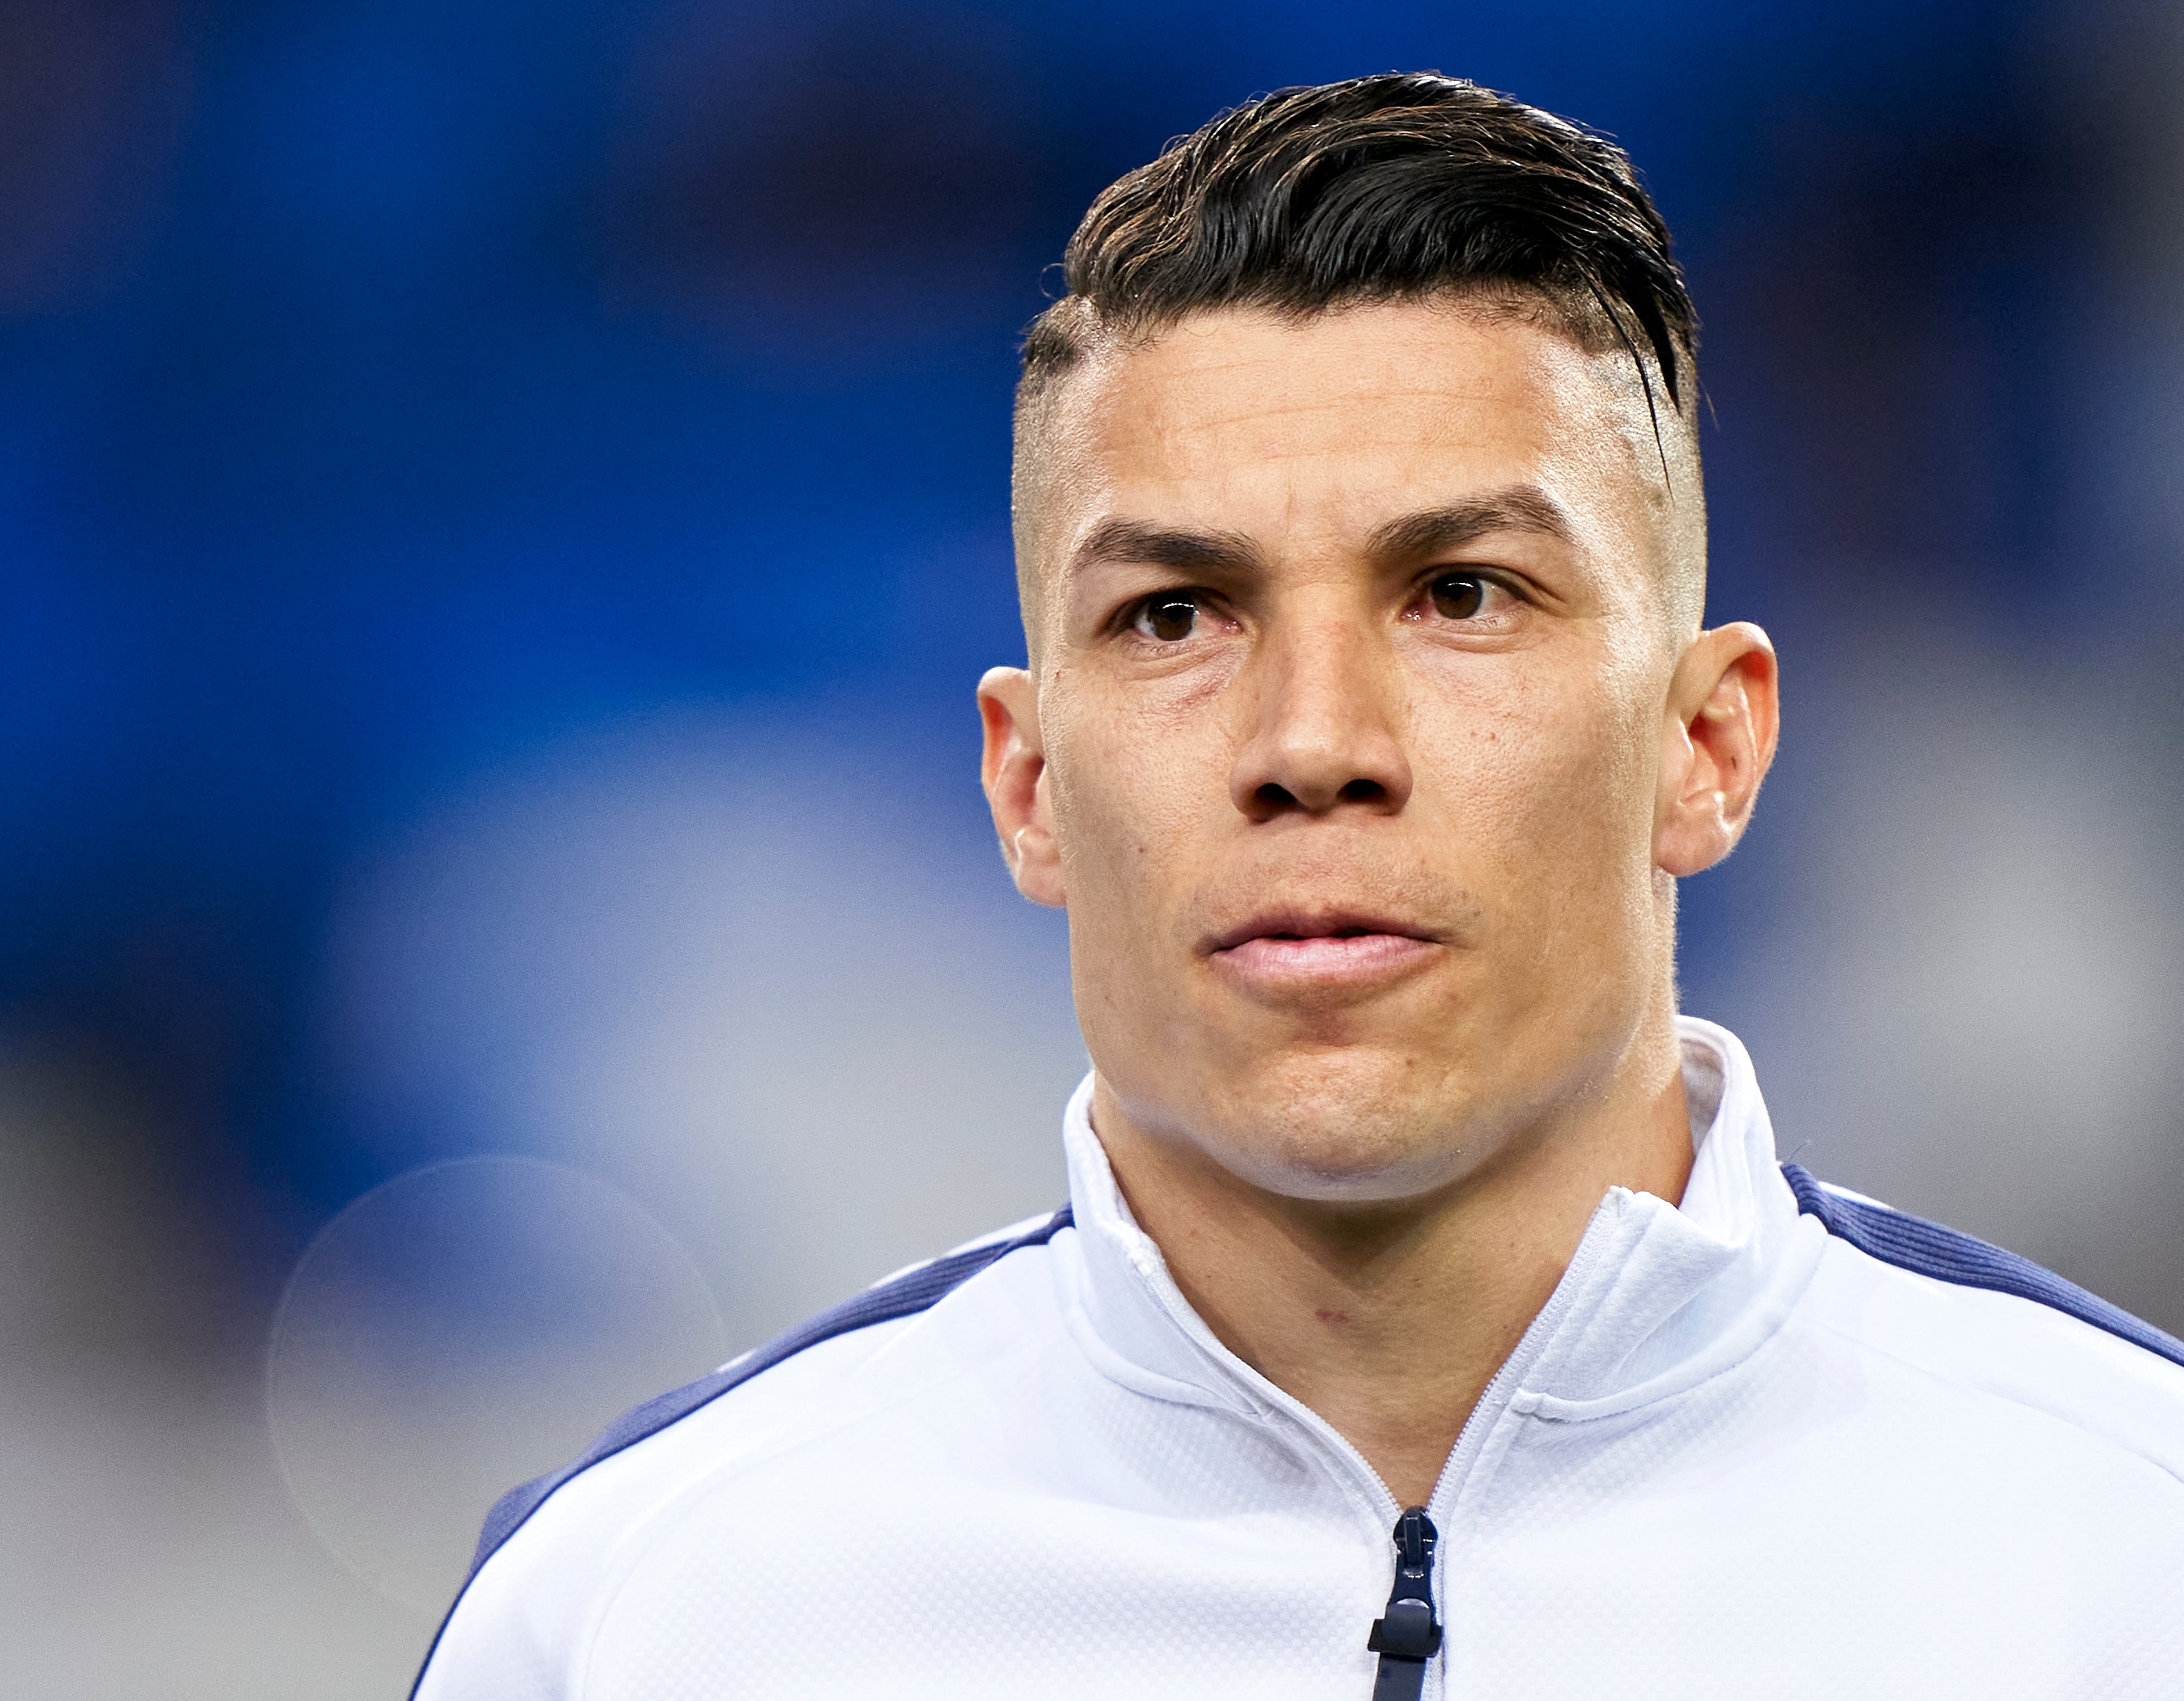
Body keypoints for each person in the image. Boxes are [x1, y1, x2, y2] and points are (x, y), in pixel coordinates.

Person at [409, 73, 2184, 1699]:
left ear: (1702, 746)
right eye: (1174, 614)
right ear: (1027, 786)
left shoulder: (2125, 1547)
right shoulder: (650, 1612)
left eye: (1462, 592)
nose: (1312, 740)